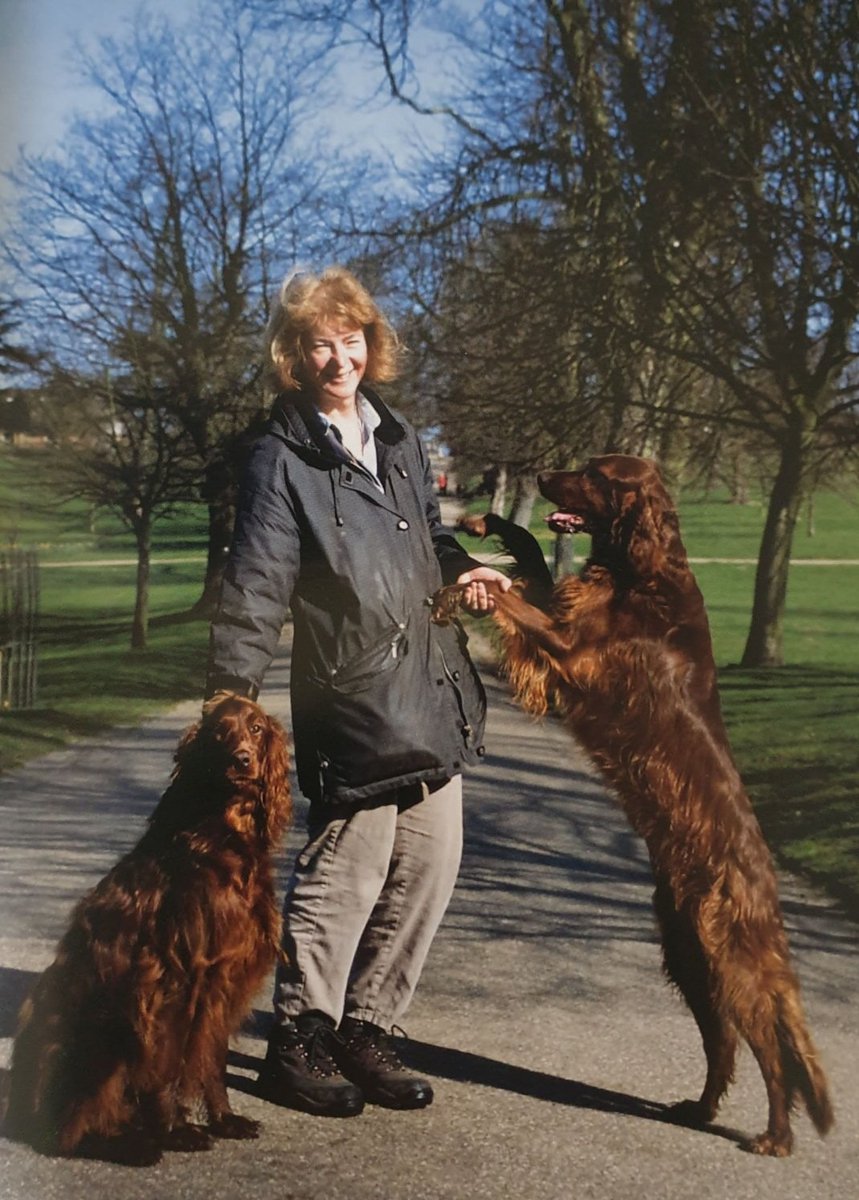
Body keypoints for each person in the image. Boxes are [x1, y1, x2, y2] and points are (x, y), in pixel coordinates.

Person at [206, 266, 511, 1118]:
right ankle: (301, 1037)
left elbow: (431, 545)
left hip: (432, 684)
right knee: (349, 871)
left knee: (430, 866)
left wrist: (468, 571)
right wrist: (230, 698)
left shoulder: (401, 440)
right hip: (352, 695)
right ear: (293, 357)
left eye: (351, 339)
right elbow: (257, 584)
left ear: (370, 346)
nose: (338, 357)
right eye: (319, 343)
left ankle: (365, 1031)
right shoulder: (281, 457)